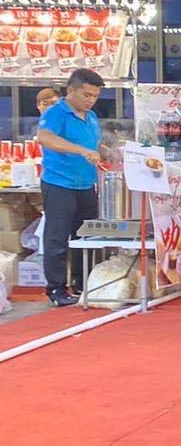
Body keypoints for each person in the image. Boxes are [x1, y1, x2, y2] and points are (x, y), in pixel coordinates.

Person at [34, 68, 104, 307]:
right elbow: (45, 138)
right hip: (59, 183)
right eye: (86, 94)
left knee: (86, 236)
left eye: (95, 96)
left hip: (86, 184)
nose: (90, 100)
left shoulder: (91, 117)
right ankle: (55, 287)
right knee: (57, 236)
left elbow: (94, 144)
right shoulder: (56, 113)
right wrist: (81, 151)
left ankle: (82, 283)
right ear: (71, 90)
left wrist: (110, 152)